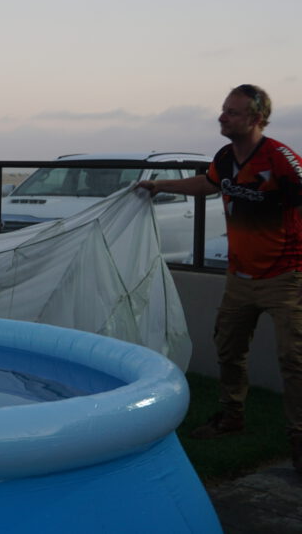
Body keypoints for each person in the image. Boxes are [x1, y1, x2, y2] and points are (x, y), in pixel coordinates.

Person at [138, 84, 302, 473]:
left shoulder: (280, 159)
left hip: (286, 278)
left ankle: (298, 438)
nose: (222, 117)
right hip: (239, 277)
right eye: (223, 110)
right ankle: (231, 415)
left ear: (256, 119)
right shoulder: (226, 157)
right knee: (228, 349)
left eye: (232, 112)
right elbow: (207, 184)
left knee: (294, 360)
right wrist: (160, 186)